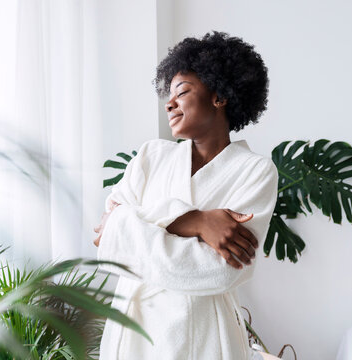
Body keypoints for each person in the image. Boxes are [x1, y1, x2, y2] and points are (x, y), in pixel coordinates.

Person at [93, 31, 278, 360]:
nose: (169, 103)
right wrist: (196, 222)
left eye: (182, 92)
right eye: (169, 94)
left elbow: (222, 270)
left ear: (218, 97)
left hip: (204, 337)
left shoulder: (255, 171)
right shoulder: (151, 157)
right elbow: (108, 238)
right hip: (132, 333)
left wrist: (134, 227)